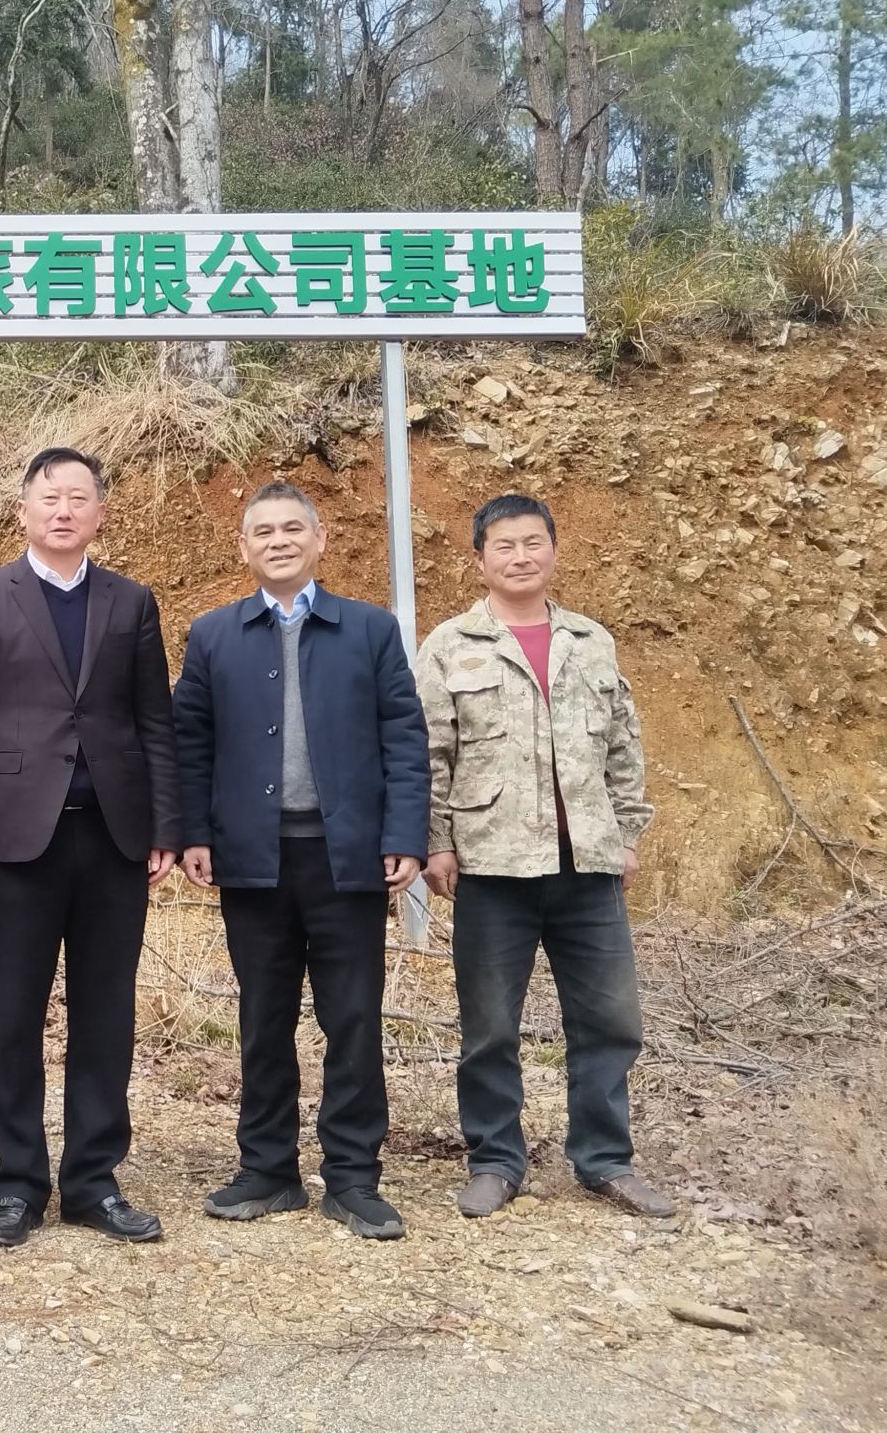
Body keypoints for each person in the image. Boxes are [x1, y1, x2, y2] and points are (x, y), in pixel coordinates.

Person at [0, 447, 183, 1248]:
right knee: (14, 1014)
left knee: (105, 1014)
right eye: (50, 497)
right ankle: (17, 1184)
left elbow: (154, 720)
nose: (65, 510)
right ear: (23, 511)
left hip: (113, 837)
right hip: (17, 841)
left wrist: (164, 826)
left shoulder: (130, 601)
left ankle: (92, 1181)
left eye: (79, 498)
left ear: (100, 513)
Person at [172, 482, 428, 1240]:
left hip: (348, 859)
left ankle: (352, 1177)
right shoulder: (213, 634)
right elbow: (190, 743)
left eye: (292, 529)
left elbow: (404, 737)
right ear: (243, 547)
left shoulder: (370, 630)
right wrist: (194, 833)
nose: (278, 541)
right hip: (254, 859)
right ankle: (268, 1169)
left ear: (320, 540)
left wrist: (404, 835)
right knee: (264, 1017)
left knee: (353, 1019)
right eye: (263, 531)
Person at [415, 494, 672, 1219]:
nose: (520, 556)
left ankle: (605, 1159)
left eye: (533, 542)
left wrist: (626, 835)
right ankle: (495, 1160)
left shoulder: (591, 642)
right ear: (480, 560)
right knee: (489, 1028)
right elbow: (429, 753)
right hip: (492, 867)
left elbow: (623, 746)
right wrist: (437, 841)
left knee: (610, 1021)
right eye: (504, 545)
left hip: (586, 866)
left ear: (554, 551)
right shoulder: (451, 644)